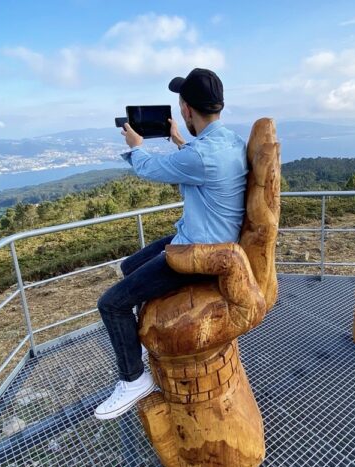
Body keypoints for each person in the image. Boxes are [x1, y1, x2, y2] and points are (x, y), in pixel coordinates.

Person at [94, 68, 248, 420]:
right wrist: (180, 139)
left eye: (181, 105)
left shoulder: (201, 156)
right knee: (129, 267)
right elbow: (202, 159)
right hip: (209, 241)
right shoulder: (230, 142)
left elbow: (153, 169)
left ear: (187, 108)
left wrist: (136, 147)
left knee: (112, 303)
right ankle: (143, 345)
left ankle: (133, 378)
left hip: (200, 255)